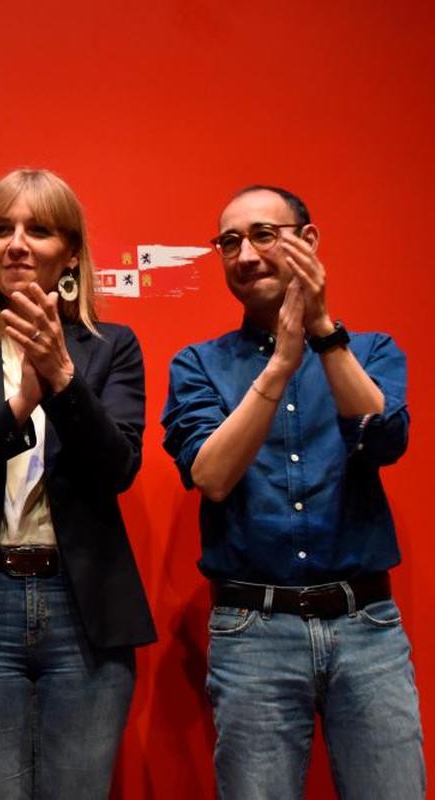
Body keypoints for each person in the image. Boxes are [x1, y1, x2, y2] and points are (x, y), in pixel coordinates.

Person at [0, 168, 156, 799]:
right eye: (0, 229)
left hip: (82, 605)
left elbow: (118, 466)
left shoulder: (111, 347)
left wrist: (62, 380)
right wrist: (20, 405)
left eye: (37, 230)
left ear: (69, 252)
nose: (15, 244)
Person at [162, 185, 425, 799]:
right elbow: (211, 475)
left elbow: (383, 439)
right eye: (229, 242)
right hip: (253, 631)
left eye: (263, 235)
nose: (246, 254)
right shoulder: (198, 365)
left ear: (308, 242)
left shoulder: (372, 350)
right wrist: (280, 364)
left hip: (369, 629)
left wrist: (322, 335)